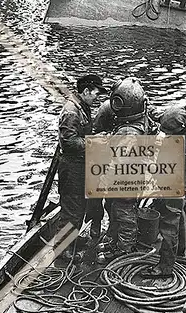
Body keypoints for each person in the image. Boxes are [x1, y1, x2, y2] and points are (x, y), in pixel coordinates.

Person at [96, 77, 157, 258]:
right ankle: (114, 240)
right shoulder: (142, 120)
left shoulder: (129, 132)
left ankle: (124, 249)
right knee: (115, 208)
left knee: (124, 213)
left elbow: (119, 162)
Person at [141, 107, 186, 278]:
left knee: (170, 222)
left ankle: (165, 267)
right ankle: (179, 252)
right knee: (179, 214)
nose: (165, 135)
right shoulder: (183, 117)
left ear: (179, 128)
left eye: (168, 132)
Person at [57, 74, 107, 259]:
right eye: (95, 94)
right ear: (85, 91)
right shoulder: (71, 111)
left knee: (78, 207)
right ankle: (63, 249)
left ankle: (72, 240)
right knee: (72, 209)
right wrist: (95, 142)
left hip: (80, 164)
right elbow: (69, 142)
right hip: (72, 168)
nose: (97, 98)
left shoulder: (81, 107)